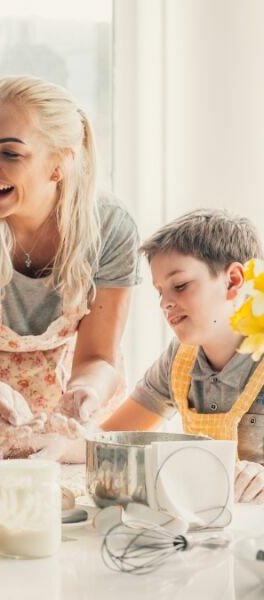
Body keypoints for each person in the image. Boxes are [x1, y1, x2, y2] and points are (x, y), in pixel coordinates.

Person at [0, 76, 140, 468]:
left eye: (11, 154)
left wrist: (87, 390)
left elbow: (100, 356)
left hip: (66, 418)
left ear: (59, 164)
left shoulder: (110, 227)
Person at [98, 209, 264, 504]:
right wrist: (62, 444)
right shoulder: (180, 360)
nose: (165, 303)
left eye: (180, 285)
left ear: (234, 281)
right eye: (159, 291)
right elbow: (112, 437)